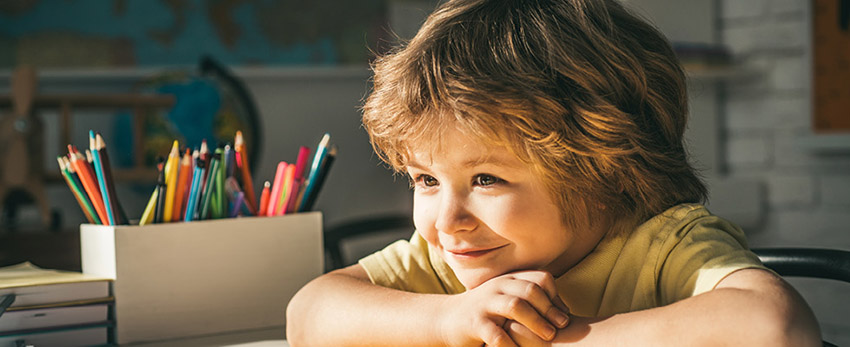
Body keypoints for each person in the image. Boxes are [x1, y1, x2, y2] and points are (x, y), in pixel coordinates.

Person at [286, 0, 821, 345]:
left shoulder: (663, 246)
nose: (447, 220)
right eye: (426, 180)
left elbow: (773, 327)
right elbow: (307, 313)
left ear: (603, 170)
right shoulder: (450, 261)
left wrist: (561, 339)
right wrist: (447, 320)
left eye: (486, 180)